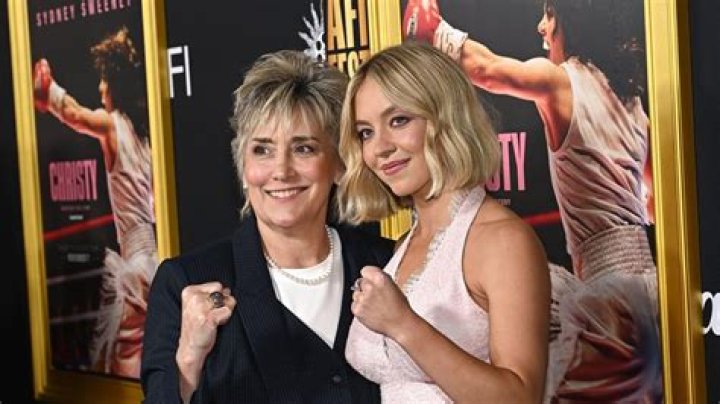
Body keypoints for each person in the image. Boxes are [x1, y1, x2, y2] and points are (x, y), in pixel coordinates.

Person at [404, 0, 662, 402]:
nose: (542, 26)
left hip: (609, 295)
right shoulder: (633, 106)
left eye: (549, 14)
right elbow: (654, 203)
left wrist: (433, 29)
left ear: (568, 21)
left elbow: (486, 69)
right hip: (649, 287)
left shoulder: (560, 80)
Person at [140, 50, 394, 403]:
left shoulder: (386, 264)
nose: (281, 171)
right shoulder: (186, 281)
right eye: (262, 150)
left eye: (303, 149)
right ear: (243, 167)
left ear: (339, 164)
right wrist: (189, 358)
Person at [337, 42, 551, 403]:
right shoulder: (405, 244)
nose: (379, 148)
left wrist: (403, 324)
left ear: (446, 116)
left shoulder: (502, 241)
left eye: (398, 120)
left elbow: (520, 397)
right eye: (366, 132)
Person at [33, 26, 156, 378]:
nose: (100, 88)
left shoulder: (113, 125)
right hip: (155, 260)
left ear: (115, 85)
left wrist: (48, 91)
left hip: (136, 265)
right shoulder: (147, 138)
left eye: (104, 80)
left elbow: (74, 113)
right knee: (144, 352)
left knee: (121, 359)